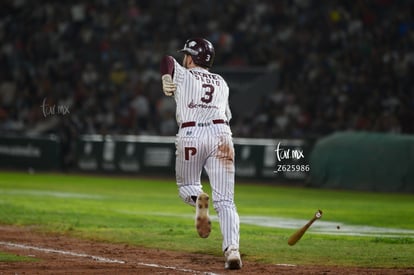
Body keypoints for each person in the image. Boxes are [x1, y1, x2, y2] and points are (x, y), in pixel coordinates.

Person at [159, 38, 242, 270]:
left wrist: (166, 77)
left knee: (187, 187)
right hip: (222, 134)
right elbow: (227, 114)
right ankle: (232, 250)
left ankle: (199, 201)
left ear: (191, 57)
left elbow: (166, 60)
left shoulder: (184, 75)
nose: (184, 58)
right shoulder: (222, 82)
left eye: (186, 54)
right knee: (226, 201)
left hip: (191, 132)